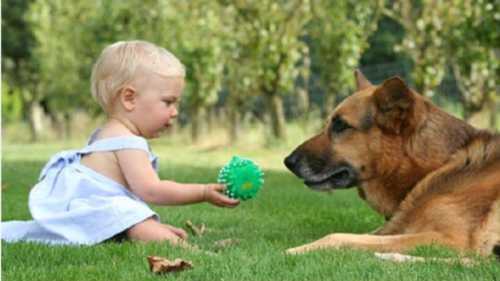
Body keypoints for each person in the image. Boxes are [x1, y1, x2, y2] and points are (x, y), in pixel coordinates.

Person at [1, 40, 239, 246]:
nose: (175, 112)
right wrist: (203, 192)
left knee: (134, 217)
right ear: (129, 98)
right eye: (168, 102)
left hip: (86, 210)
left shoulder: (105, 133)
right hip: (97, 209)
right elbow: (151, 190)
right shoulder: (128, 142)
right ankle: (174, 244)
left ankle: (148, 230)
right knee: (133, 219)